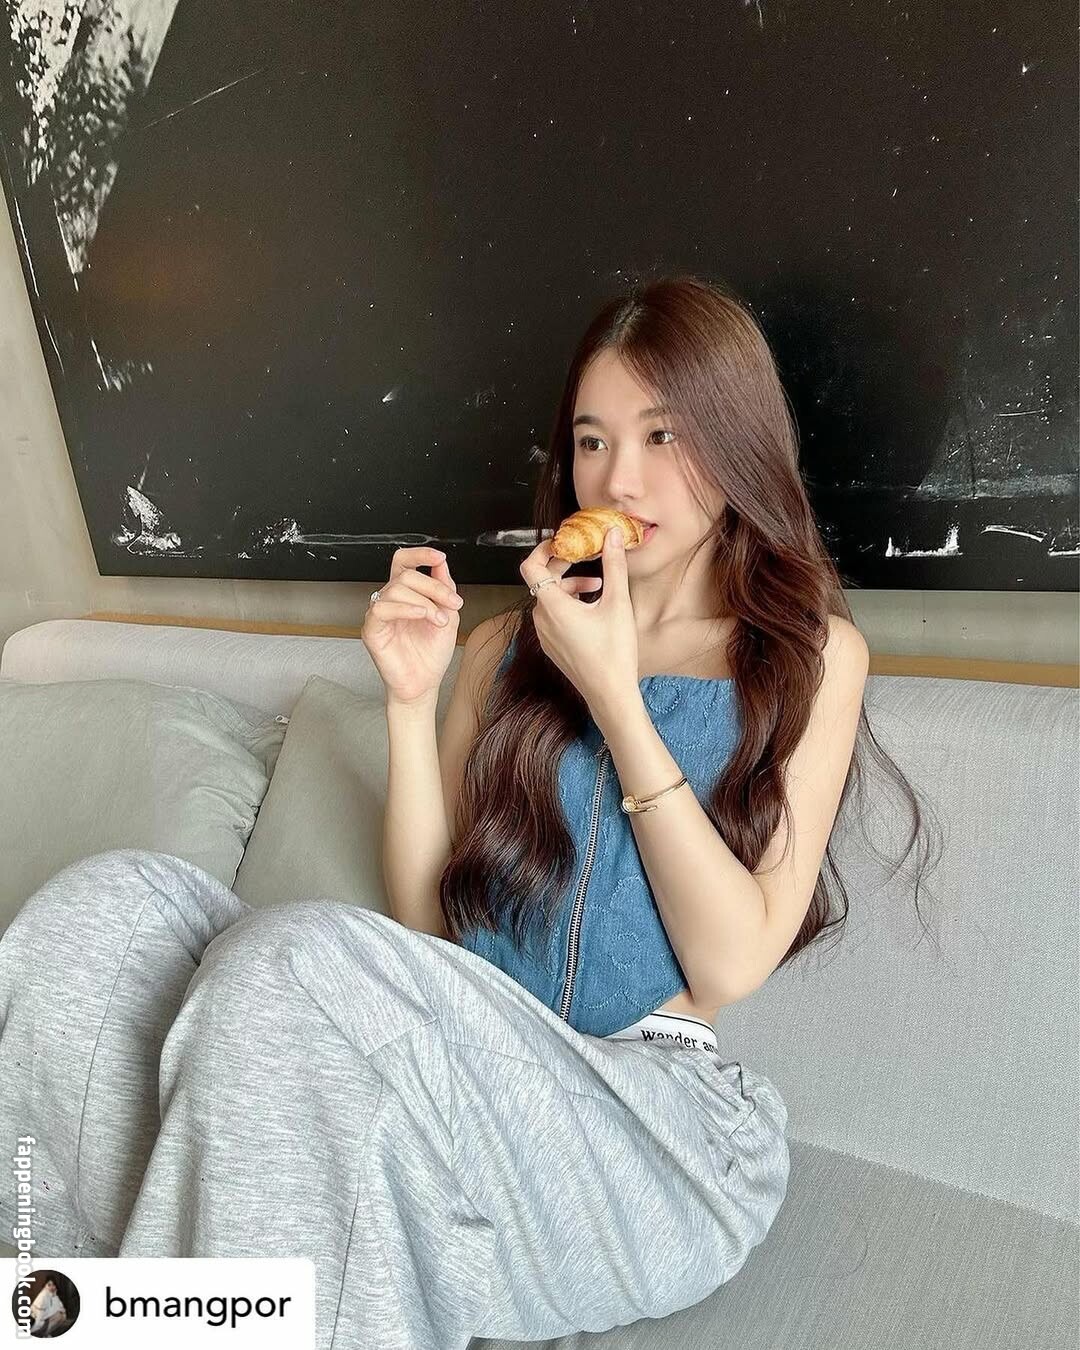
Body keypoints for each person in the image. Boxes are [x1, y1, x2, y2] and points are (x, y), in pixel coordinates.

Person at [0, 275, 936, 1350]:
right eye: (591, 441)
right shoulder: (501, 651)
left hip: (652, 1130)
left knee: (286, 962)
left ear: (736, 443)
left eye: (663, 436)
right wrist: (410, 702)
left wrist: (616, 697)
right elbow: (429, 932)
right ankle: (58, 1316)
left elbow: (729, 964)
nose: (619, 478)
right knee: (104, 913)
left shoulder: (808, 657)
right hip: (465, 1080)